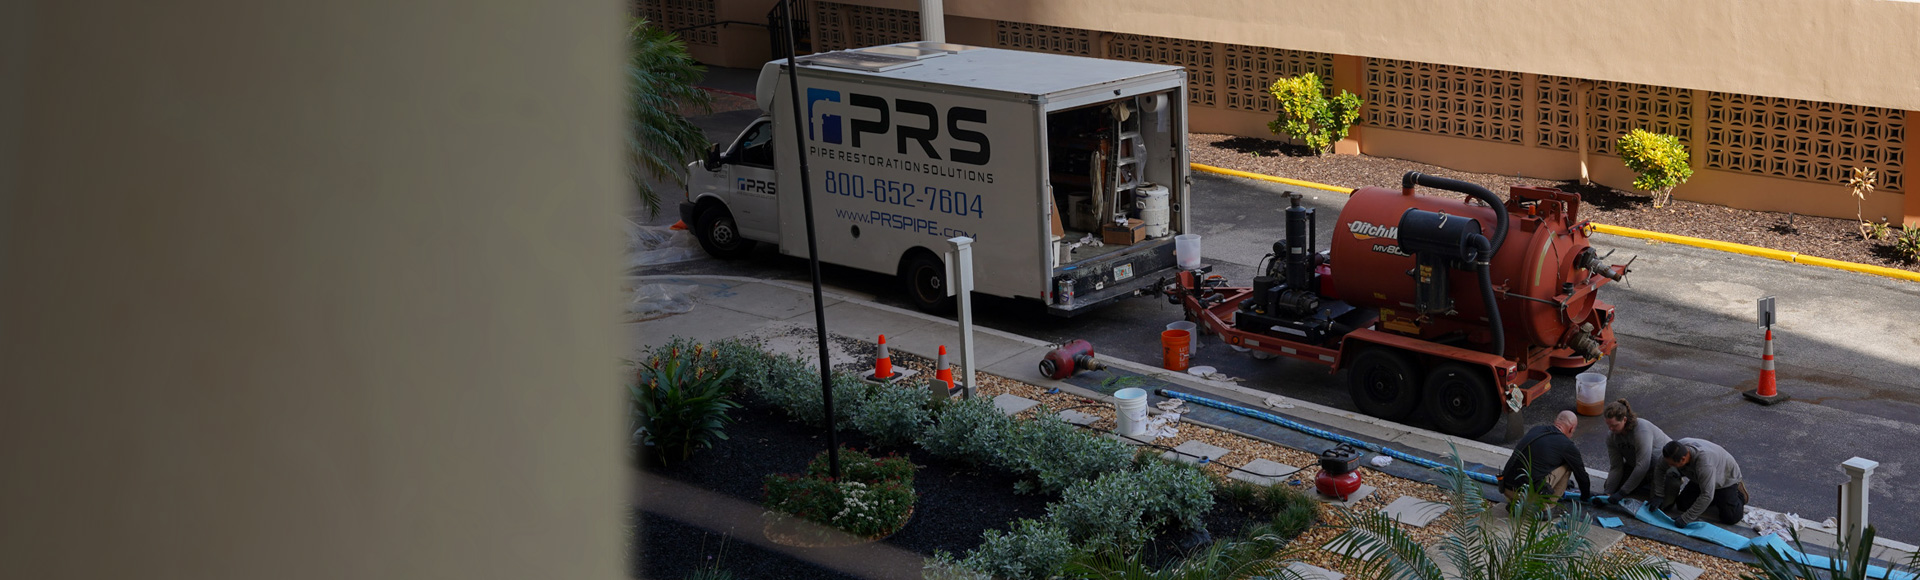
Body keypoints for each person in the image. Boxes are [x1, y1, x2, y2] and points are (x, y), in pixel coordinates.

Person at [1499, 411, 1592, 506]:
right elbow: (1581, 475)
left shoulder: (1536, 429)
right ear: (1571, 429)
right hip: (1526, 494)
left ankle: (1515, 503)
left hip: (1506, 488)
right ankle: (1547, 508)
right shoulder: (1567, 445)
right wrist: (1586, 496)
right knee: (1568, 465)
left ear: (1555, 421)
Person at [1657, 438, 1749, 526]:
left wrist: (1686, 519)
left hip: (1725, 479)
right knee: (1682, 505)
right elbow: (1660, 468)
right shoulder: (1674, 450)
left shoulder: (1704, 463)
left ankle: (1739, 495)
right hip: (1700, 477)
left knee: (1730, 517)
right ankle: (1714, 497)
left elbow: (1707, 495)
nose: (1669, 465)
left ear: (1683, 459)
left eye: (1672, 464)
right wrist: (1658, 495)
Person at [1598, 399, 1671, 503]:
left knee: (1659, 504)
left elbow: (1643, 465)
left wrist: (1622, 493)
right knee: (1611, 486)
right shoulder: (1612, 437)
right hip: (1637, 465)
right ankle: (1643, 482)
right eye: (1608, 425)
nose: (1611, 429)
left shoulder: (1641, 430)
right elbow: (1616, 466)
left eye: (1614, 425)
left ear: (1624, 419)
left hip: (1660, 467)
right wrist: (1607, 494)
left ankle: (1659, 483)